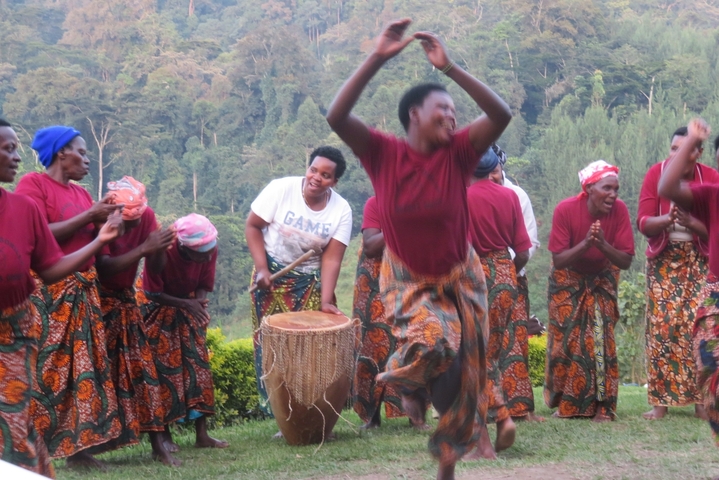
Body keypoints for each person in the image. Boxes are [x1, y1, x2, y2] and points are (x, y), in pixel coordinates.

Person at [326, 18, 512, 480]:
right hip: (409, 277)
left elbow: (501, 114)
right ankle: (404, 374)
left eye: (454, 111)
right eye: (442, 109)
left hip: (462, 274)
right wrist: (377, 56)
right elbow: (336, 116)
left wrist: (451, 70)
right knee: (434, 342)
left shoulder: (461, 153)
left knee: (468, 365)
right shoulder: (382, 153)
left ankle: (448, 452)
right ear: (414, 115)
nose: (452, 116)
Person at [0, 119, 123, 478]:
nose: (18, 157)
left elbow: (50, 266)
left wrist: (102, 238)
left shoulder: (23, 209)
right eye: (8, 149)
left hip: (14, 335)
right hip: (49, 308)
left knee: (13, 421)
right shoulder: (35, 188)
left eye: (16, 148)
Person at [245, 145, 352, 418]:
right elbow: (253, 226)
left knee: (309, 350)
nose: (316, 177)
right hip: (270, 276)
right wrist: (261, 270)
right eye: (313, 170)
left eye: (326, 175)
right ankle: (279, 414)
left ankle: (308, 410)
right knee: (271, 347)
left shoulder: (341, 210)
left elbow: (331, 259)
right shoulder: (281, 189)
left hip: (309, 283)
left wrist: (326, 300)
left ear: (335, 182)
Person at [89, 176, 180, 465]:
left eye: (133, 222)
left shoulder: (147, 217)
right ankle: (86, 449)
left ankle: (159, 445)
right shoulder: (101, 218)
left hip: (126, 300)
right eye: (125, 222)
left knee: (143, 369)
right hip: (96, 301)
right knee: (95, 373)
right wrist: (143, 248)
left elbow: (154, 267)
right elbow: (102, 267)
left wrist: (157, 248)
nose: (127, 228)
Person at [637, 127, 719, 421]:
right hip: (663, 258)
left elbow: (715, 231)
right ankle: (661, 402)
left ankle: (700, 401)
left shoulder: (709, 179)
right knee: (662, 329)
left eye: (684, 149)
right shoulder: (656, 174)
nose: (676, 154)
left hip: (699, 259)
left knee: (695, 329)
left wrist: (692, 223)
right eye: (673, 148)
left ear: (698, 153)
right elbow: (643, 223)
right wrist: (666, 220)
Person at [545, 160, 634, 422]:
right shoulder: (566, 209)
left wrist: (602, 245)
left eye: (616, 189)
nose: (613, 195)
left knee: (600, 337)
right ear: (589, 188)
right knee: (567, 342)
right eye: (607, 188)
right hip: (568, 278)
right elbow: (559, 259)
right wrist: (586, 244)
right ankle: (568, 404)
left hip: (603, 276)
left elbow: (626, 261)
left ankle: (603, 407)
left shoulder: (619, 211)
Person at [659, 119, 719, 469]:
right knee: (710, 377)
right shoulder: (712, 194)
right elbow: (667, 186)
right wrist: (691, 141)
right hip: (716, 296)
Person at [141, 213, 228, 451]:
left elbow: (203, 283)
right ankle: (165, 437)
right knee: (164, 371)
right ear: (184, 248)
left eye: (210, 251)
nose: (208, 256)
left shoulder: (209, 249)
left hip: (188, 304)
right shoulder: (163, 251)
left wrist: (198, 304)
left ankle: (203, 435)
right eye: (202, 254)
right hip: (157, 308)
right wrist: (187, 304)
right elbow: (152, 293)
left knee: (198, 368)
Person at [464, 149, 528, 460]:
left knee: (473, 361)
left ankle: (492, 432)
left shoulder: (461, 199)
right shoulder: (510, 196)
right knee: (490, 356)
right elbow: (524, 250)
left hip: (475, 275)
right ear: (493, 168)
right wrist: (508, 274)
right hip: (506, 273)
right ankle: (490, 430)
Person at [352, 196, 423, 429]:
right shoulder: (375, 203)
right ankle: (371, 416)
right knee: (372, 346)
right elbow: (371, 246)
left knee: (413, 343)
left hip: (408, 280)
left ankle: (416, 416)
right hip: (374, 282)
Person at [492, 144, 544, 422]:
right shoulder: (465, 192)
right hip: (477, 280)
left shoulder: (517, 195)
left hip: (514, 275)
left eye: (496, 170)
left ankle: (519, 409)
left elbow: (530, 241)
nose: (494, 175)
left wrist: (504, 269)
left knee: (514, 343)